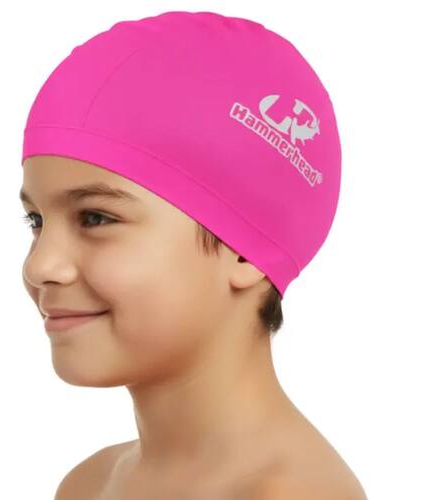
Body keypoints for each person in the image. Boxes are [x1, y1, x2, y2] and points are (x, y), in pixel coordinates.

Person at [19, 10, 367, 500]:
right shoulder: (87, 485)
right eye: (36, 221)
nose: (39, 267)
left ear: (244, 250)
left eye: (95, 218)